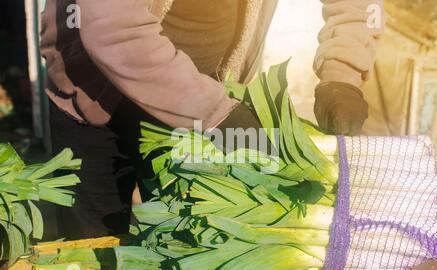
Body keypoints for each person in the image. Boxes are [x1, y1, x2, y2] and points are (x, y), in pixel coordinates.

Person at [40, 0, 384, 240]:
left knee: (190, 253)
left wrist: (343, 72)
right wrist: (217, 115)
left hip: (213, 99)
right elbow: (114, 26)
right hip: (96, 92)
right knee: (93, 255)